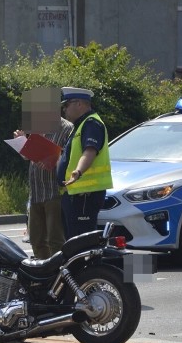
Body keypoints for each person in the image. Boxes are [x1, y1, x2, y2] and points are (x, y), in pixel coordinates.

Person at [56, 86, 113, 238]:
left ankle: (87, 263)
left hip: (85, 194)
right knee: (73, 240)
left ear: (79, 104)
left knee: (81, 240)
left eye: (66, 105)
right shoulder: (80, 125)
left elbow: (90, 151)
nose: (64, 110)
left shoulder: (91, 124)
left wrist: (78, 171)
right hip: (76, 193)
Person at [14, 116, 74, 259]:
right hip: (36, 192)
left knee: (55, 239)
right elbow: (28, 156)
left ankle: (59, 274)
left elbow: (68, 155)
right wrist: (22, 142)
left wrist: (49, 156)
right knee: (36, 239)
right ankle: (44, 274)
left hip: (54, 191)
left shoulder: (67, 128)